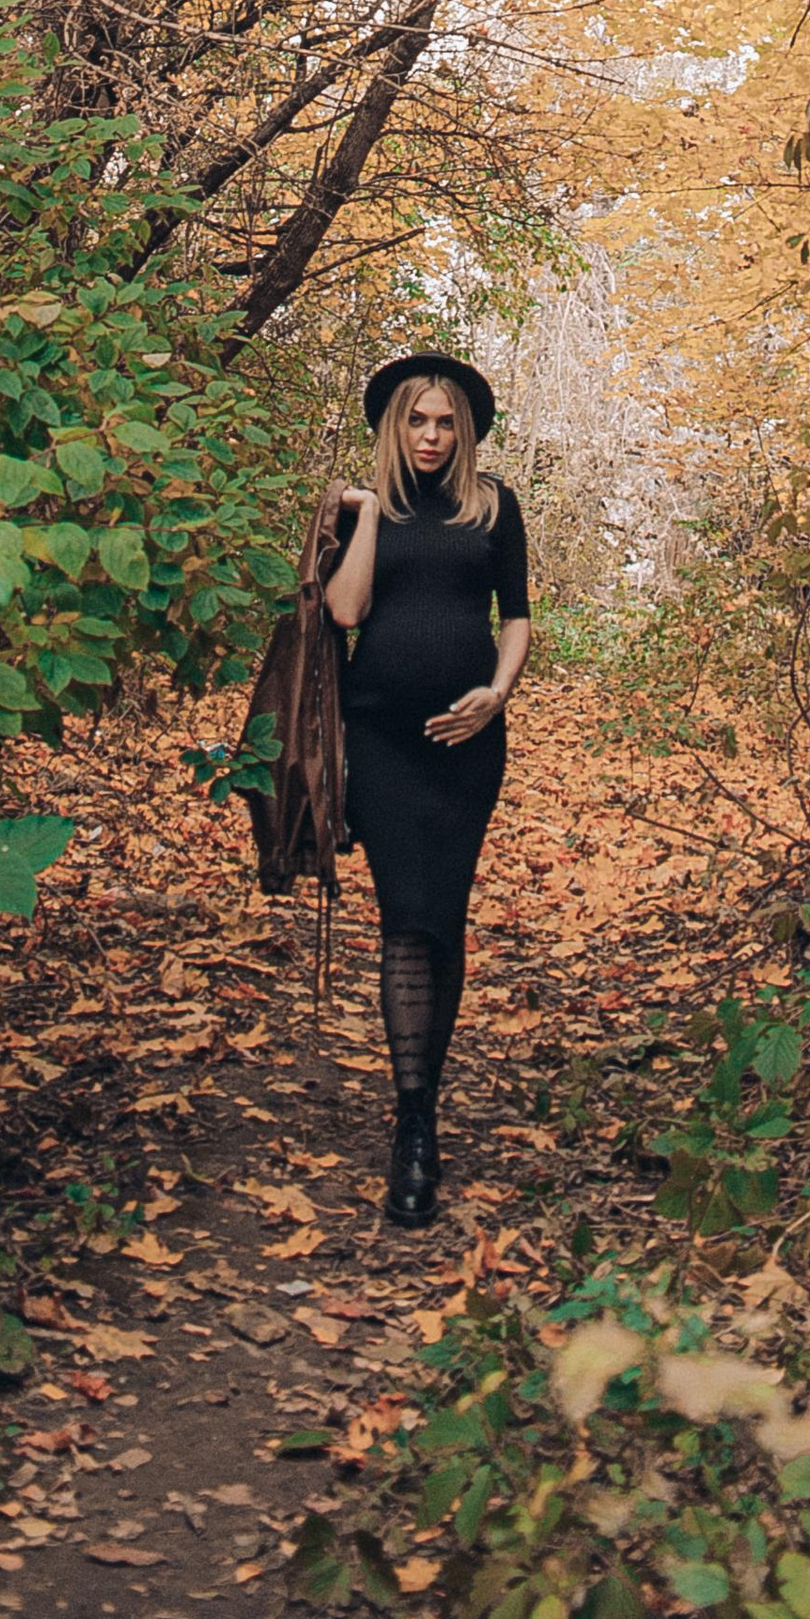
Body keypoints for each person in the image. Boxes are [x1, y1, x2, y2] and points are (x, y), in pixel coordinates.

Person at [324, 354, 532, 1227]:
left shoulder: (496, 506)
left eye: (447, 422)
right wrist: (368, 514)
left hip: (467, 750)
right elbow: (344, 612)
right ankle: (413, 1123)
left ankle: (425, 1098)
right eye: (419, 421)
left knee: (443, 918)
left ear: (466, 430)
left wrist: (498, 693)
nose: (434, 436)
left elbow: (515, 614)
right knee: (405, 914)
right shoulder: (361, 509)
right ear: (395, 426)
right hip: (380, 741)